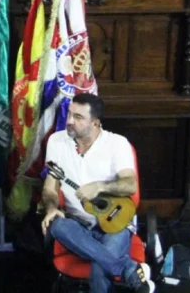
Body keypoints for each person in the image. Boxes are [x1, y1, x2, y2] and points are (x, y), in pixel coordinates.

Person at [41, 94, 155, 293]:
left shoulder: (117, 144)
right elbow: (50, 187)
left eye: (78, 117)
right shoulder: (56, 142)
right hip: (76, 225)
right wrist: (51, 208)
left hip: (115, 223)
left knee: (99, 267)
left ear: (95, 123)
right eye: (69, 114)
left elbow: (130, 185)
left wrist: (100, 186)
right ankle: (129, 270)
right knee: (57, 225)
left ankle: (117, 265)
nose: (69, 121)